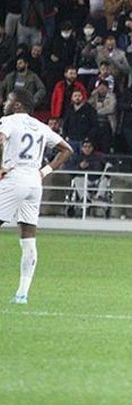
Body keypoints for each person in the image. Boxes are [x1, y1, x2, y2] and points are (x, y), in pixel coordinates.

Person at [0, 89, 73, 304]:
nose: (5, 103)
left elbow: (1, 140)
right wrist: (44, 171)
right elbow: (66, 149)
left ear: (18, 105)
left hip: (14, 177)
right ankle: (22, 293)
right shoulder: (40, 126)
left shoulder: (8, 121)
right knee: (28, 236)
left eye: (9, 100)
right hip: (34, 180)